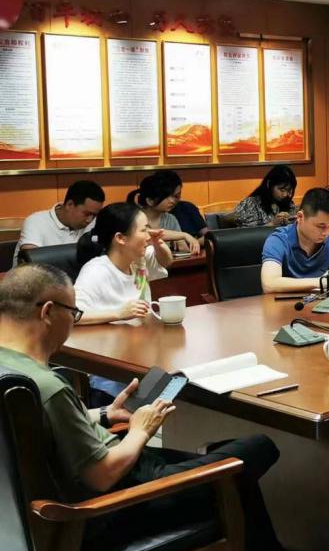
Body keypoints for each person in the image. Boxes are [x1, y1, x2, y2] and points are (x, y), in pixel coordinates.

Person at [0, 264, 329, 551]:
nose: (74, 322)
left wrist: (104, 415)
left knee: (227, 463)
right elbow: (102, 475)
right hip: (105, 508)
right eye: (74, 313)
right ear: (48, 312)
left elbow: (35, 427)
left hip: (28, 529)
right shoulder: (49, 387)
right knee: (251, 455)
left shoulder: (15, 375)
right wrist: (141, 429)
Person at [73, 202, 175, 401]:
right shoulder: (96, 271)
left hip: (141, 358)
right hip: (111, 373)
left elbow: (167, 261)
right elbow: (72, 315)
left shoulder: (138, 259)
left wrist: (157, 244)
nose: (148, 235)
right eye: (144, 230)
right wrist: (118, 313)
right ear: (121, 238)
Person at [13, 179, 105, 265]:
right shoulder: (36, 222)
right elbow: (31, 263)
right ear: (69, 205)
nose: (90, 220)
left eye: (94, 215)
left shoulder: (93, 223)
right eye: (87, 214)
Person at [127, 170, 201, 255]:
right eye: (166, 197)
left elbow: (183, 248)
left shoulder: (170, 219)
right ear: (150, 201)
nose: (173, 201)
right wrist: (184, 235)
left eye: (175, 196)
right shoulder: (135, 217)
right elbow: (148, 234)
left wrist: (180, 243)